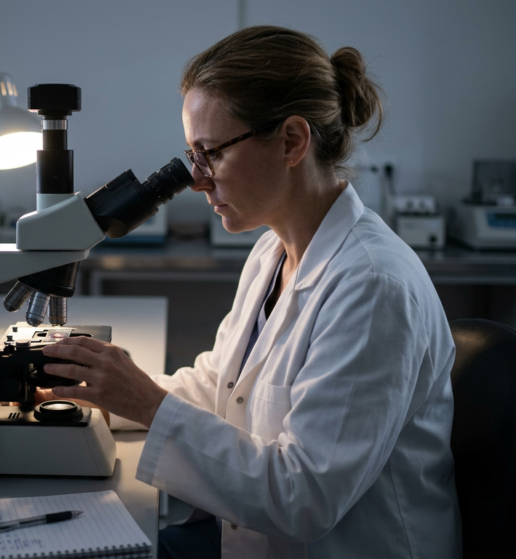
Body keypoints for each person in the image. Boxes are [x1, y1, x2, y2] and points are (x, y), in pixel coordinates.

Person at [38, 26, 461, 558]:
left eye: (210, 152)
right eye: (192, 155)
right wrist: (100, 393)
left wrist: (145, 402)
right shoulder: (272, 251)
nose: (196, 179)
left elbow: (304, 498)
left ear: (292, 141)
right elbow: (222, 390)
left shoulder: (374, 287)